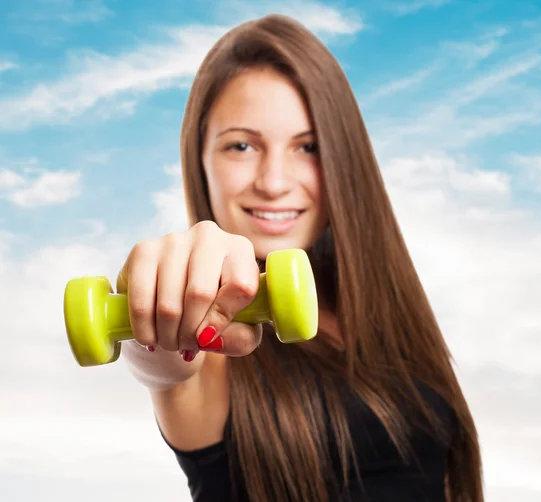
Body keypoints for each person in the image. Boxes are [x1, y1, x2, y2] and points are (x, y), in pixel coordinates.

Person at [117, 13, 484, 502]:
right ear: (198, 157)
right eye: (241, 145)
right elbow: (165, 366)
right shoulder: (214, 338)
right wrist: (160, 316)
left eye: (306, 147)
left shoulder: (385, 321)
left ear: (343, 159)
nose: (273, 182)